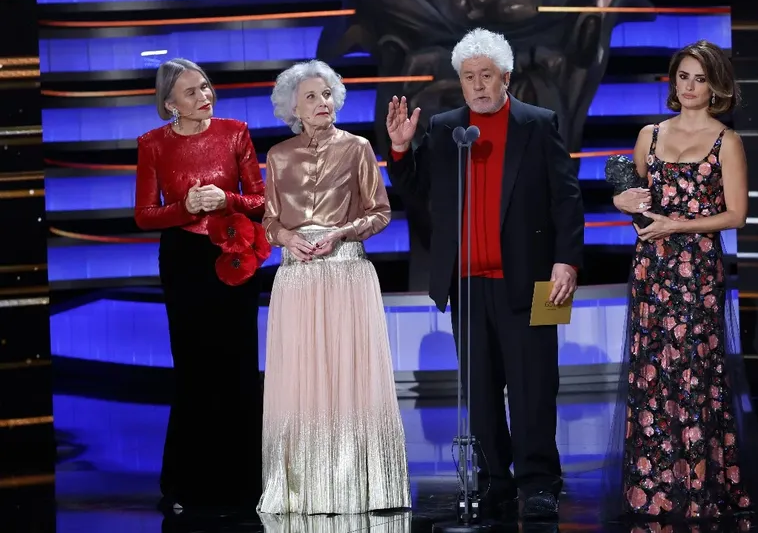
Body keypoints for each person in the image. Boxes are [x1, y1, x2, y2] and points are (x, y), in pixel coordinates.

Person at [385, 28, 585, 521]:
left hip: (538, 280)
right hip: (469, 284)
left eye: (486, 75)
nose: (477, 85)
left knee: (535, 386)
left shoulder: (538, 124)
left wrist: (569, 260)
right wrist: (399, 151)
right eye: (469, 76)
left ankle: (539, 481)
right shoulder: (447, 128)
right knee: (480, 390)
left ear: (506, 77)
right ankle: (495, 477)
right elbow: (417, 192)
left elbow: (567, 198)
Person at [603, 40, 758, 522]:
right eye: (683, 77)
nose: (690, 87)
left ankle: (700, 485)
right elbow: (633, 198)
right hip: (653, 269)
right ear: (673, 83)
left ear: (716, 84)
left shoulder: (726, 141)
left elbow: (736, 215)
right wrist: (621, 203)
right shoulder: (649, 135)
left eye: (699, 78)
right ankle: (654, 488)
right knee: (654, 371)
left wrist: (679, 226)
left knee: (696, 374)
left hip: (698, 271)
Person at [257, 60, 410, 515]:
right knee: (301, 381)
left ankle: (361, 487)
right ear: (293, 108)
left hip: (346, 274)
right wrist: (284, 237)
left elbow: (379, 211)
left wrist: (342, 233)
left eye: (327, 95)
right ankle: (303, 489)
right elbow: (268, 219)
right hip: (297, 279)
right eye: (310, 97)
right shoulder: (278, 156)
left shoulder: (358, 147)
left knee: (350, 376)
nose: (322, 103)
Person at [134, 58, 265, 512]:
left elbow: (261, 200)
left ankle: (246, 484)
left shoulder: (235, 132)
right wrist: (186, 207)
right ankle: (186, 484)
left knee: (238, 367)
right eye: (191, 92)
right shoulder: (152, 145)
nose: (204, 96)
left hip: (233, 253)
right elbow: (144, 214)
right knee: (194, 369)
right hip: (184, 260)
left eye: (206, 86)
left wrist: (227, 199)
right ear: (170, 103)